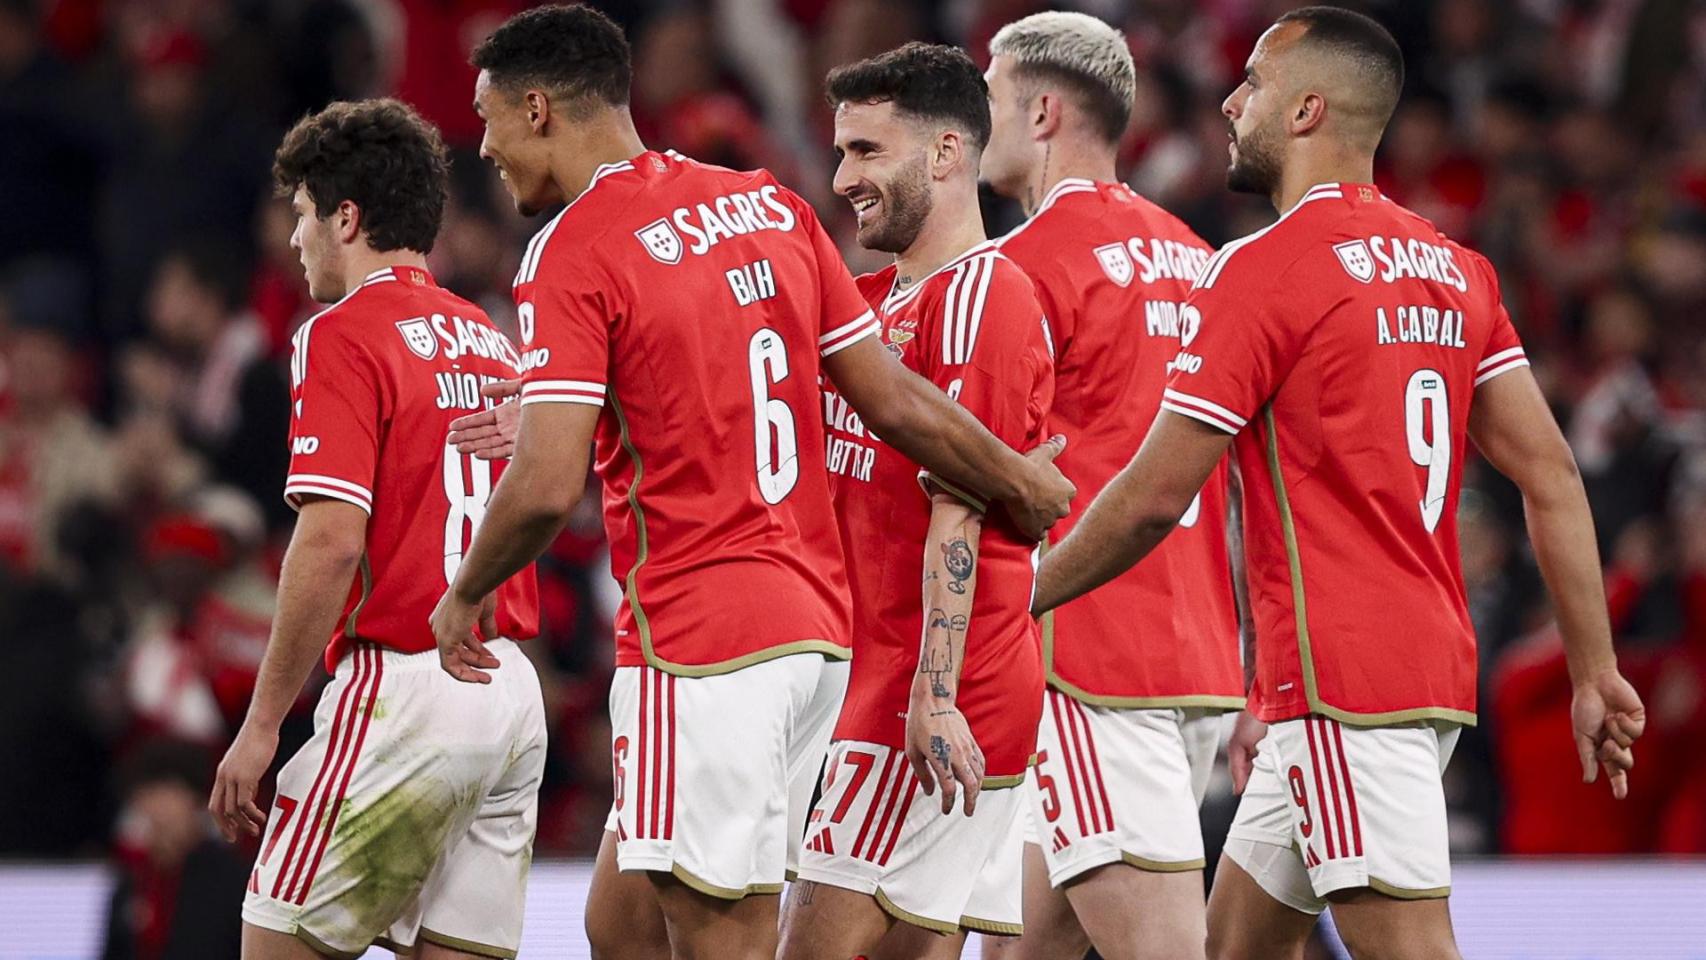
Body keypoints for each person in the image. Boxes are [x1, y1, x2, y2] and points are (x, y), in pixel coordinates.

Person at [429, 8, 1072, 960]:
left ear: (537, 108)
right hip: (814, 640)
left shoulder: (573, 248)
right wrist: (1021, 475)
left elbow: (538, 491)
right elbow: (886, 398)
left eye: (486, 120)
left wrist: (464, 596)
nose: (480, 147)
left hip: (700, 638)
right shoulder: (766, 206)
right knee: (619, 921)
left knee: (717, 935)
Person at [1029, 8, 1646, 960]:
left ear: (1308, 109)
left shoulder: (1267, 270)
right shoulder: (1455, 270)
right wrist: (1594, 669)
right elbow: (1552, 474)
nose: (1231, 103)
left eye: (1255, 86)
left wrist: (1018, 598)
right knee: (1234, 949)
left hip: (1340, 689)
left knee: (1412, 949)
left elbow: (1155, 496)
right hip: (1407, 677)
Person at [208, 98, 546, 960]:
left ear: (345, 217)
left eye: (303, 214)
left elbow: (330, 540)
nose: (295, 239)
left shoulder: (339, 334)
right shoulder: (490, 338)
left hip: (407, 686)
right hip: (507, 691)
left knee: (275, 945)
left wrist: (261, 726)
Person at [975, 13, 1246, 960]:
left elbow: (982, 467)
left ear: (1042, 110)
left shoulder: (1020, 266)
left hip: (1086, 661)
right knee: (1022, 944)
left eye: (993, 99)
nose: (978, 122)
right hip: (1201, 650)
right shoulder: (1200, 261)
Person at [774, 42, 1052, 958]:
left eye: (867, 151)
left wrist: (932, 695)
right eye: (842, 151)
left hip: (927, 691)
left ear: (944, 154)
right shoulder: (867, 305)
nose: (842, 175)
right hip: (888, 685)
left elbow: (959, 509)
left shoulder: (980, 294)